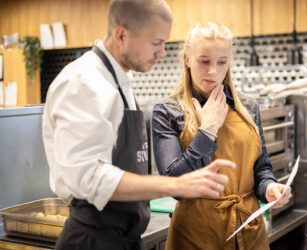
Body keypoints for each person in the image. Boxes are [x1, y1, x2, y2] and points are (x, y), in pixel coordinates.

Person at [42, 2, 236, 249]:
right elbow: (87, 176)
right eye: (156, 43)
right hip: (92, 241)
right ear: (121, 35)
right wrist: (176, 184)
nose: (163, 52)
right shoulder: (84, 82)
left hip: (125, 239)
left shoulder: (120, 81)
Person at [151, 22, 292, 250]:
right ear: (187, 59)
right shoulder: (168, 111)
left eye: (222, 62)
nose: (213, 71)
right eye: (204, 61)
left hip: (249, 231)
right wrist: (207, 131)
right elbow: (174, 186)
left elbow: (261, 168)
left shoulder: (248, 107)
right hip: (195, 235)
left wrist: (269, 188)